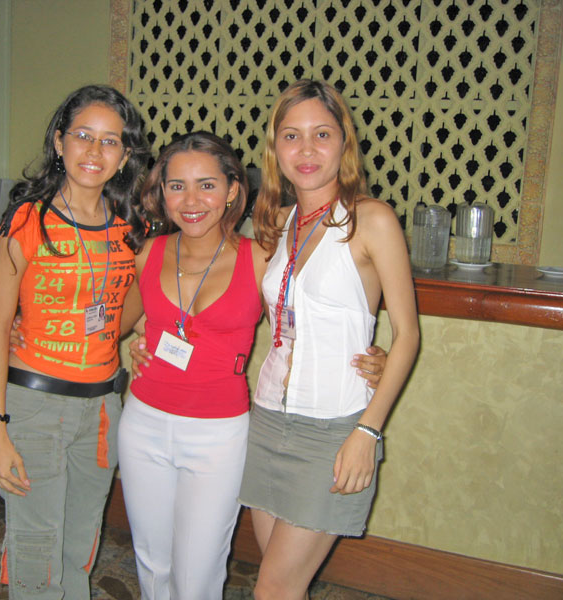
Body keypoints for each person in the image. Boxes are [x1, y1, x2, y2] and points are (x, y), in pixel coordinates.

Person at [117, 131, 389, 600]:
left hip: (218, 434)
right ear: (162, 193)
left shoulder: (261, 256)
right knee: (151, 560)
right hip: (143, 423)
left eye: (207, 185)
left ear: (232, 191)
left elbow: (309, 320)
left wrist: (372, 355)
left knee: (197, 570)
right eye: (177, 186)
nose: (191, 200)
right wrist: (30, 325)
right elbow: (115, 325)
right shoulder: (148, 254)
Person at [238, 79, 420, 599]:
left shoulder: (372, 219)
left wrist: (368, 432)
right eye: (291, 136)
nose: (307, 149)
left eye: (322, 134)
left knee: (272, 590)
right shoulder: (278, 222)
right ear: (275, 148)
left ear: (344, 143)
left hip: (334, 428)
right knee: (282, 586)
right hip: (267, 419)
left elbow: (408, 334)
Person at [0, 84, 150, 599]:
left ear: (125, 155)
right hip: (34, 406)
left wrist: (144, 328)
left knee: (79, 545)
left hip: (101, 409)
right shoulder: (27, 221)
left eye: (110, 141)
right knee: (36, 551)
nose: (95, 151)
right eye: (83, 136)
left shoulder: (132, 228)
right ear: (59, 142)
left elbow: (121, 316)